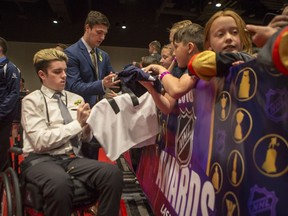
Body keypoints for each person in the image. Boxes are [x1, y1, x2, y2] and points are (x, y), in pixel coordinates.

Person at [20, 48, 123, 216]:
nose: (64, 75)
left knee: (112, 173)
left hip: (70, 158)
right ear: (42, 75)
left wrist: (88, 126)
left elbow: (85, 137)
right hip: (40, 160)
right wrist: (77, 124)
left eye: (65, 71)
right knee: (60, 182)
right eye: (57, 72)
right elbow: (40, 142)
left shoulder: (76, 98)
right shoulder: (31, 101)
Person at [65, 11, 120, 107]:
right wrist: (102, 84)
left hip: (99, 108)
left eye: (105, 34)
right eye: (99, 32)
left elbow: (112, 80)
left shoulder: (104, 55)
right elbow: (73, 86)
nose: (102, 37)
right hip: (80, 108)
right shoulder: (71, 53)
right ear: (87, 28)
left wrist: (125, 77)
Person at [0, 37, 20, 171]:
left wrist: (1, 112)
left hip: (3, 118)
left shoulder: (10, 68)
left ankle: (4, 175)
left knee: (2, 148)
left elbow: (14, 94)